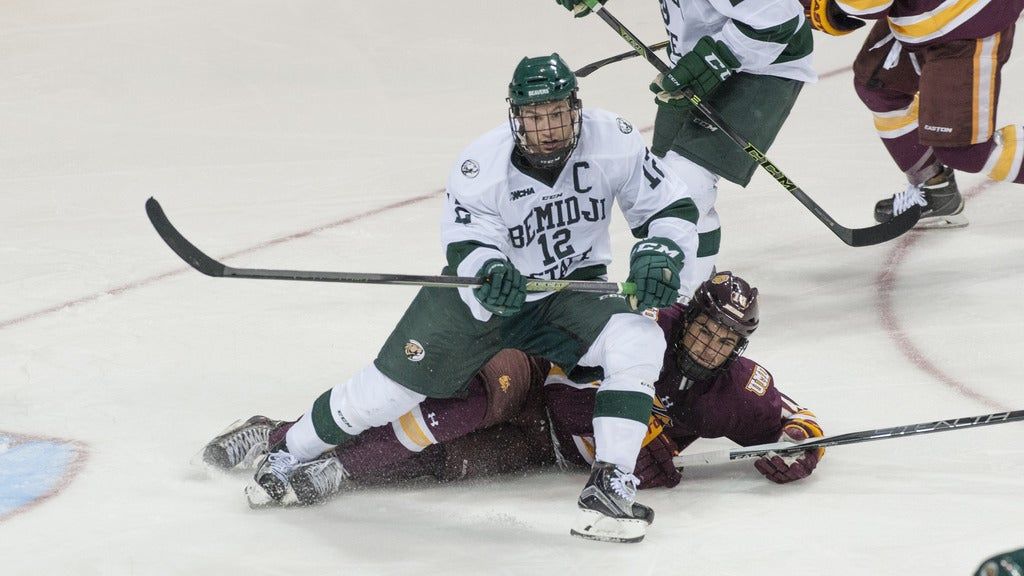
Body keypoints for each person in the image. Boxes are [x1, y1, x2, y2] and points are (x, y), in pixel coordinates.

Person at [238, 53, 702, 543]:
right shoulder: (482, 166)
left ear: (576, 109)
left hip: (566, 292)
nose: (547, 128)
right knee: (385, 394)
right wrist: (490, 269)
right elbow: (468, 244)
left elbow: (669, 205)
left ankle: (609, 486)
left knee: (638, 340)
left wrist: (660, 254)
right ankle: (289, 450)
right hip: (482, 302)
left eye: (558, 114)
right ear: (516, 117)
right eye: (534, 116)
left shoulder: (615, 141)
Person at [204, 272, 824, 516]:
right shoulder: (644, 330)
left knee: (437, 465)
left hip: (546, 449)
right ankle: (283, 434)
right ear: (688, 318)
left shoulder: (736, 391)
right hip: (533, 371)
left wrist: (798, 447)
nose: (712, 345)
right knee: (470, 401)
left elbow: (799, 422)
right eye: (707, 329)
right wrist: (640, 439)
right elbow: (566, 386)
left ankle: (342, 469)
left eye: (727, 339)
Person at [556, 0, 816, 298]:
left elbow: (778, 18)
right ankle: (698, 288)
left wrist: (711, 60)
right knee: (665, 188)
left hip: (763, 65)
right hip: (698, 57)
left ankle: (677, 302)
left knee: (684, 187)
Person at [801, 0, 1024, 228]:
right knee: (881, 88)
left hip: (964, 20)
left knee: (965, 151)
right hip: (926, 14)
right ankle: (935, 191)